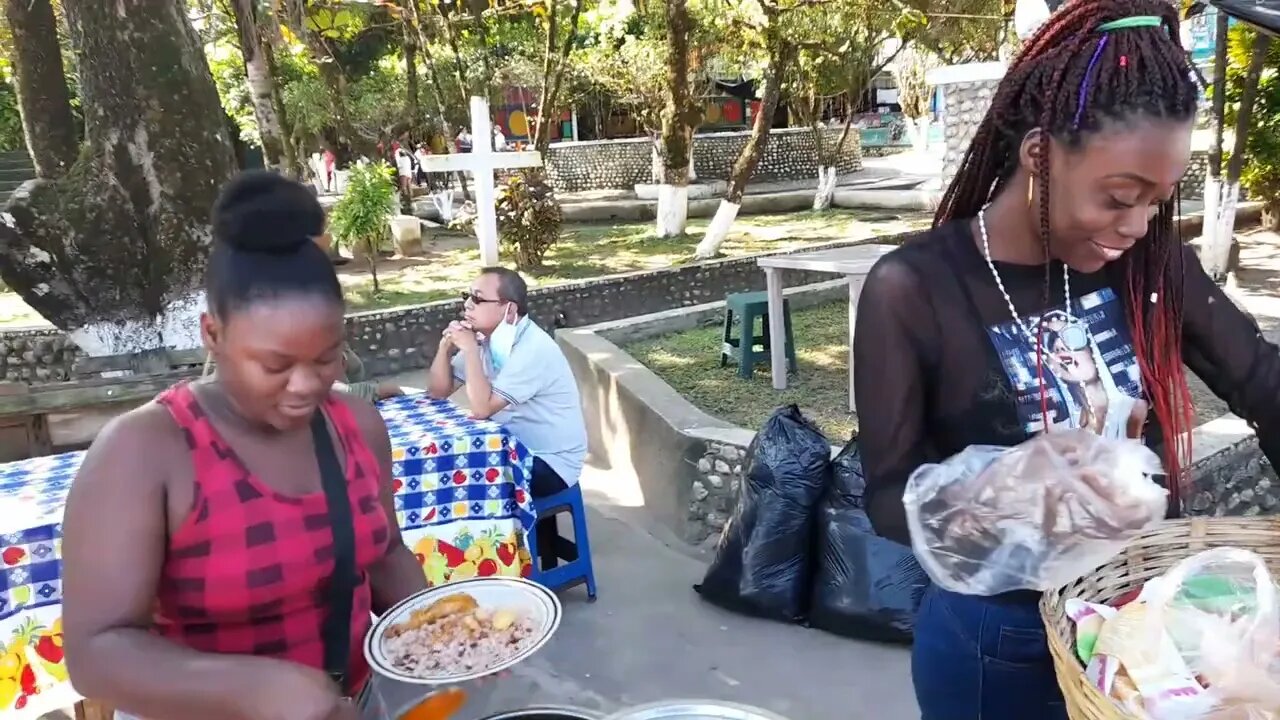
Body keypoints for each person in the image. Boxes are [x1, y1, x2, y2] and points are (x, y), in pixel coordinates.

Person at [852, 2, 1280, 718]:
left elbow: (1263, 382)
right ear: (1040, 155)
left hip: (1139, 626)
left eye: (1157, 202)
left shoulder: (1151, 263)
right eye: (1118, 198)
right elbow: (887, 496)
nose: (1137, 226)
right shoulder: (914, 289)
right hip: (1000, 640)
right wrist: (995, 492)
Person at [61, 172, 428, 720]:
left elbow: (385, 555)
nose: (307, 385)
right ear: (213, 335)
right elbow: (96, 652)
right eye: (275, 365)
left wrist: (444, 630)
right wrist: (258, 688)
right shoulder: (146, 450)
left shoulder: (356, 425)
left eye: (326, 358)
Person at [426, 268, 588, 565]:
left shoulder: (531, 348)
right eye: (467, 297)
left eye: (478, 299)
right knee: (449, 468)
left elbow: (481, 409)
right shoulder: (489, 340)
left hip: (551, 461)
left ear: (509, 309)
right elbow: (438, 391)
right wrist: (445, 346)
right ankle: (490, 560)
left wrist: (471, 351)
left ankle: (494, 565)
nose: (468, 306)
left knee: (465, 481)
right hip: (515, 448)